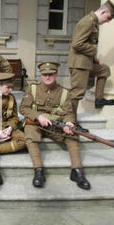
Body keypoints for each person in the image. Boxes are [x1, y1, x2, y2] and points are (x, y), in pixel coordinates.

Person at [19, 62, 91, 190]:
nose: (48, 77)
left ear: (56, 74)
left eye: (51, 74)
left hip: (55, 125)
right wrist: (38, 116)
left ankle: (77, 171)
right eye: (45, 74)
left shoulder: (64, 92)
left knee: (72, 134)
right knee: (30, 133)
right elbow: (23, 108)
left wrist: (69, 123)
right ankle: (39, 170)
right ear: (41, 75)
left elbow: (68, 112)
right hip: (36, 123)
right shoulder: (33, 89)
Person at [67, 0, 114, 130]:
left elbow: (87, 42)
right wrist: (94, 50)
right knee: (77, 93)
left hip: (86, 62)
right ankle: (71, 121)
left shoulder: (94, 23)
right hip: (79, 63)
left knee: (104, 70)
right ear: (103, 12)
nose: (108, 21)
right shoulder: (88, 22)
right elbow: (77, 44)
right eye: (108, 18)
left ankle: (98, 99)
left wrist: (95, 59)